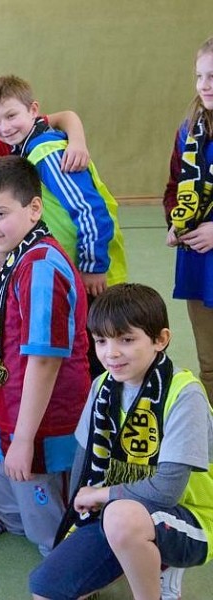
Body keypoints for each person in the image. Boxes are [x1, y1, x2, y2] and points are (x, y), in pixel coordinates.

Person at [29, 284, 213, 600]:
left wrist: (99, 495)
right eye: (101, 341)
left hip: (192, 517)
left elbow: (167, 491)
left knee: (120, 517)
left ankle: (160, 576)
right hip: (121, 510)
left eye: (126, 340)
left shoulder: (185, 393)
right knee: (47, 590)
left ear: (161, 339)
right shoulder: (102, 385)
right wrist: (79, 519)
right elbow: (85, 461)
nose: (111, 353)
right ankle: (138, 555)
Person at [0, 156, 89, 555]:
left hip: (42, 422)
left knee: (50, 535)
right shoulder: (18, 256)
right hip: (10, 410)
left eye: (0, 213)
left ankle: (69, 566)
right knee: (9, 512)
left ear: (34, 209)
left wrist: (24, 439)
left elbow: (44, 359)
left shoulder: (40, 265)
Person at [0, 75, 127, 298]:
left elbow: (89, 210)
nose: (5, 127)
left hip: (89, 272)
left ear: (33, 110)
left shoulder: (47, 152)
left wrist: (93, 266)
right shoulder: (26, 149)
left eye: (11, 116)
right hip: (67, 267)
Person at [164, 36, 213, 402]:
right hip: (199, 258)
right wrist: (175, 223)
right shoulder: (190, 130)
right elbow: (174, 187)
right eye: (200, 76)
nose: (205, 86)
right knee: (209, 362)